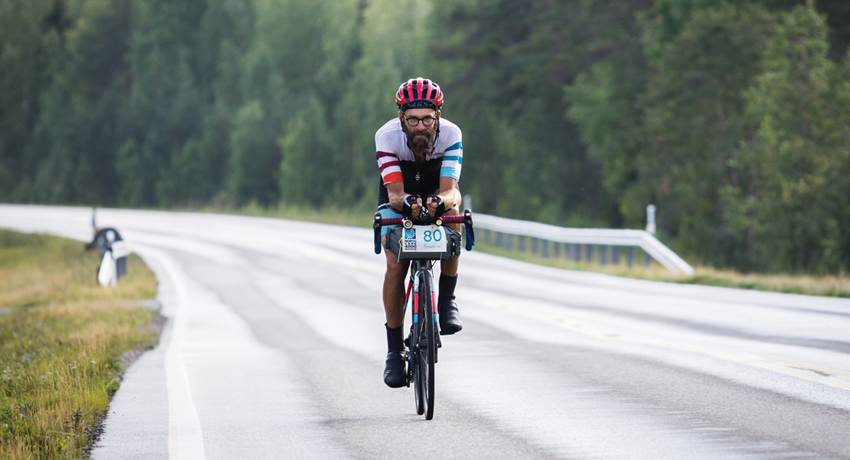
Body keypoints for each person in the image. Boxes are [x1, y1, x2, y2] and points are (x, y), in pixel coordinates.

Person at [376, 78, 464, 388]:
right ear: (401, 117)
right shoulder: (386, 137)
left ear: (438, 116)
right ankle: (393, 351)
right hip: (399, 192)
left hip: (437, 189)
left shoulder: (452, 134)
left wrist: (439, 203)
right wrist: (407, 203)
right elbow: (395, 195)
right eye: (412, 119)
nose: (420, 126)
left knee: (455, 217)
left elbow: (450, 191)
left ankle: (447, 300)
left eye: (427, 119)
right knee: (395, 264)